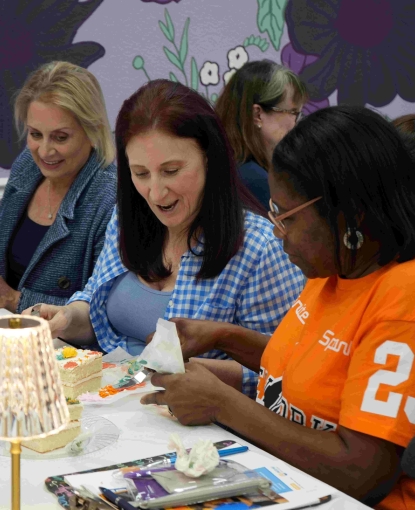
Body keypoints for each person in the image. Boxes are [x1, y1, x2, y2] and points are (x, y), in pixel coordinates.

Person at [141, 105, 415, 510]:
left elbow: (363, 474)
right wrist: (223, 336)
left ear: (350, 215)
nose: (276, 231)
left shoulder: (401, 299)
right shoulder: (334, 269)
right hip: (283, 479)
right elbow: (313, 367)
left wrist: (222, 403)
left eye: (286, 217)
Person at [27, 79, 304, 398]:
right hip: (112, 403)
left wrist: (179, 372)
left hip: (199, 429)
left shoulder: (259, 249)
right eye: (141, 174)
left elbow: (281, 377)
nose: (156, 193)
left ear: (209, 158)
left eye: (171, 171)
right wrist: (65, 318)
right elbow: (95, 304)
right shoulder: (126, 217)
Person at [0, 61, 116, 313]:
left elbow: (103, 312)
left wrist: (14, 300)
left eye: (60, 137)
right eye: (35, 134)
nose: (44, 151)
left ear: (92, 130)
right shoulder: (26, 165)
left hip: (68, 349)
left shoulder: (110, 198)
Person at [215, 60, 307, 210]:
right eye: (294, 113)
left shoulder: (230, 167)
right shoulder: (253, 179)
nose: (296, 123)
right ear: (258, 114)